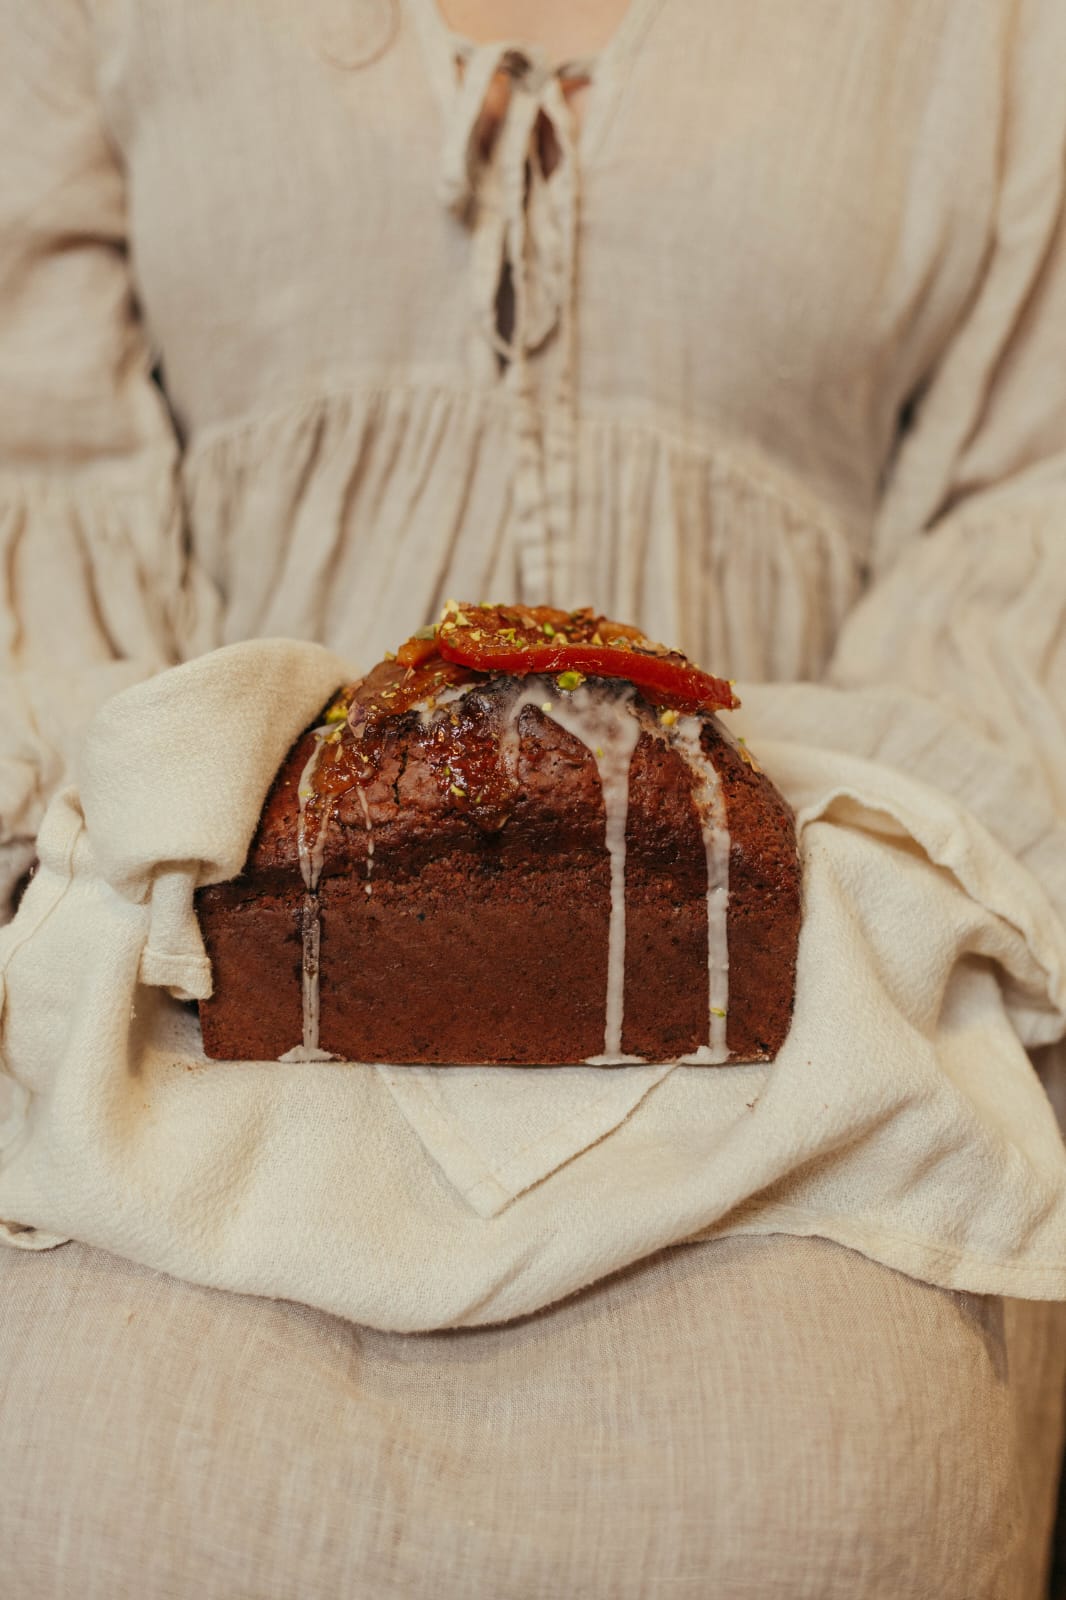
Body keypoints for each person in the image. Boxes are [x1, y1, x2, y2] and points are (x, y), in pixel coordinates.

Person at [1, 2, 1065, 1594]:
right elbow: (41, 457)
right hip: (194, 930)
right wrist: (180, 799)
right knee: (104, 1474)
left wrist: (796, 811)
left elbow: (1021, 497)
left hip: (818, 941)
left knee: (819, 1495)